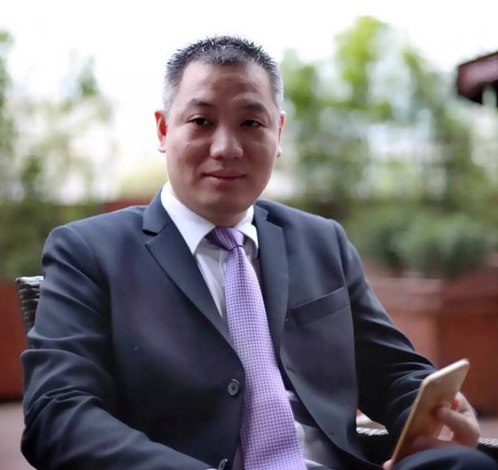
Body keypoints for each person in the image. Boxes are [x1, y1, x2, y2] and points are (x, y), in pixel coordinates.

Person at [21, 36, 497, 470]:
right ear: (164, 130)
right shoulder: (89, 252)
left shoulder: (320, 240)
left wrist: (433, 413)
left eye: (251, 122)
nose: (226, 147)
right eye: (201, 121)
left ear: (279, 132)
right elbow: (58, 415)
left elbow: (392, 371)